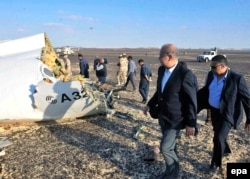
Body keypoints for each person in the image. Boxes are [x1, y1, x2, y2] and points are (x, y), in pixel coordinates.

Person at [143, 44, 197, 179]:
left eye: (160, 56)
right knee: (171, 148)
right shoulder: (162, 70)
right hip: (163, 117)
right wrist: (149, 104)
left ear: (169, 57)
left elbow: (191, 100)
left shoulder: (185, 74)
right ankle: (171, 173)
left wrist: (191, 123)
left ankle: (173, 175)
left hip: (176, 119)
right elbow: (159, 91)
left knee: (166, 148)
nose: (158, 59)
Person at [197, 55, 250, 174]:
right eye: (210, 67)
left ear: (223, 66)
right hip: (214, 111)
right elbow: (206, 90)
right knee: (218, 133)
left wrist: (249, 119)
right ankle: (225, 149)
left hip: (228, 114)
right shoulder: (211, 75)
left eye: (213, 67)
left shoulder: (237, 79)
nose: (211, 69)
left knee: (218, 138)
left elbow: (247, 99)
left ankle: (215, 163)